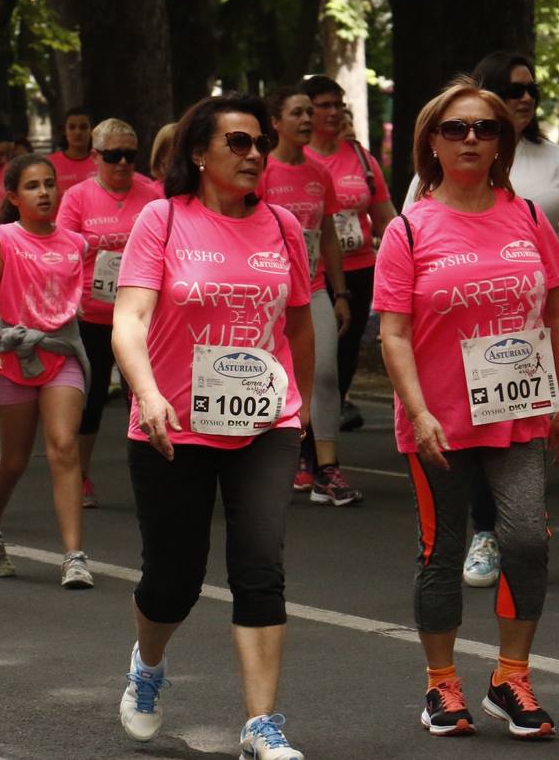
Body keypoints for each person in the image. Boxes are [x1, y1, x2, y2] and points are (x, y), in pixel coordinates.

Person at [111, 94, 313, 760]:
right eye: (238, 142)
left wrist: (301, 404)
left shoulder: (283, 227)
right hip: (173, 424)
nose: (255, 154)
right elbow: (130, 321)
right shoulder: (162, 220)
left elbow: (301, 322)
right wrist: (147, 394)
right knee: (175, 578)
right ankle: (148, 662)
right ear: (200, 153)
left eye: (260, 142)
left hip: (264, 423)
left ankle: (262, 723)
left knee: (260, 566)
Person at [376, 78, 559, 739]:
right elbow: (394, 333)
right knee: (443, 550)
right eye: (456, 129)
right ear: (432, 140)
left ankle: (510, 678)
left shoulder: (527, 218)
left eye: (484, 129)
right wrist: (417, 408)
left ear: (502, 144)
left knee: (525, 540)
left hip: (517, 413)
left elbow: (555, 310)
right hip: (438, 423)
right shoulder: (409, 229)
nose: (470, 140)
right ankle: (441, 686)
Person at [404, 52, 559, 587]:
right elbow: (411, 241)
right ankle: (487, 532)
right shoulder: (440, 171)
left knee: (516, 424)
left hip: (528, 321)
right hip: (459, 331)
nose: (525, 100)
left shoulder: (554, 161)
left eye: (531, 92)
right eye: (514, 90)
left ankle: (517, 522)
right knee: (475, 432)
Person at [0, 153, 92, 587]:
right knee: (15, 460)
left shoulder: (76, 243)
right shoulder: (2, 240)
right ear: (14, 196)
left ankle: (74, 556)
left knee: (63, 446)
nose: (44, 193)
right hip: (13, 356)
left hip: (62, 352)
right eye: (34, 186)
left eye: (50, 184)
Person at [261, 85, 358, 505]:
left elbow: (330, 236)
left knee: (324, 373)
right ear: (276, 123)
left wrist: (341, 292)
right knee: (268, 377)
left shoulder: (320, 173)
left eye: (308, 113)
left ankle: (327, 469)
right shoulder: (261, 171)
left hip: (313, 287)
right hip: (267, 292)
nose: (305, 120)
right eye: (296, 113)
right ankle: (268, 461)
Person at [57, 118, 161, 510]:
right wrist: (69, 300)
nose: (122, 164)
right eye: (113, 156)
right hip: (93, 314)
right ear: (96, 156)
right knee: (92, 395)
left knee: (148, 392)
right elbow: (65, 251)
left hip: (142, 316)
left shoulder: (153, 195)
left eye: (129, 156)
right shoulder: (79, 198)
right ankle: (80, 475)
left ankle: (157, 471)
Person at [302, 74, 396, 433]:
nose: (333, 112)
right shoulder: (298, 158)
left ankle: (326, 425)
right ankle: (307, 439)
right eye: (324, 105)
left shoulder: (359, 156)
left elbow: (386, 218)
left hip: (359, 270)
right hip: (312, 274)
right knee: (316, 359)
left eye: (338, 105)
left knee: (344, 356)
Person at [50, 106, 94, 195]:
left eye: (83, 127)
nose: (77, 132)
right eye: (72, 127)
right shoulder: (50, 163)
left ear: (91, 130)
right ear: (65, 131)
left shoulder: (102, 162)